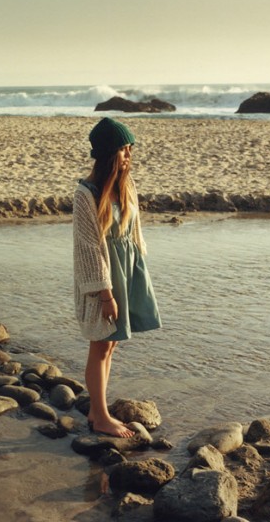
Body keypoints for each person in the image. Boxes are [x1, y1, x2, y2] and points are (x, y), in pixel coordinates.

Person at [73, 117, 161, 437]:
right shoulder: (87, 193)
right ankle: (101, 415)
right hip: (104, 278)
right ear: (108, 153)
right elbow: (88, 247)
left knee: (110, 345)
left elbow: (132, 230)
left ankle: (98, 412)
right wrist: (105, 292)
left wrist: (139, 271)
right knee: (100, 345)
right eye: (123, 149)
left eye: (129, 149)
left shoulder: (126, 184)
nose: (128, 155)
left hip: (125, 271)